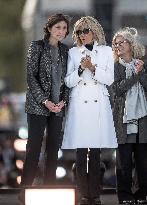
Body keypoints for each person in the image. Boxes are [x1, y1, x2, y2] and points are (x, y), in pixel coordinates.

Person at [61, 16, 117, 205]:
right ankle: (83, 194)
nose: (82, 35)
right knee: (80, 152)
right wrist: (79, 70)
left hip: (98, 104)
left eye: (85, 31)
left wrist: (92, 68)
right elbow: (68, 81)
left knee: (95, 152)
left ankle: (95, 195)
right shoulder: (73, 53)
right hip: (80, 106)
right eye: (78, 32)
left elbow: (109, 79)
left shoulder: (107, 51)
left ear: (94, 31)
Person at [21, 13, 70, 187]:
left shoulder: (66, 51)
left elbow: (68, 80)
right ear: (49, 28)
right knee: (33, 149)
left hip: (58, 107)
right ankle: (25, 189)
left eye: (64, 28)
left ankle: (50, 188)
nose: (61, 31)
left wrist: (63, 101)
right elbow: (31, 78)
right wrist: (45, 101)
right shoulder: (36, 47)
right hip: (37, 107)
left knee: (53, 150)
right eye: (58, 27)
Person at [112, 27, 147, 205]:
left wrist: (141, 73)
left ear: (131, 44)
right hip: (123, 121)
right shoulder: (115, 67)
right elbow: (117, 89)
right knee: (124, 162)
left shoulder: (143, 64)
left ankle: (143, 193)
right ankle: (125, 195)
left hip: (142, 121)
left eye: (121, 42)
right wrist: (135, 75)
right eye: (115, 44)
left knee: (143, 161)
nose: (117, 46)